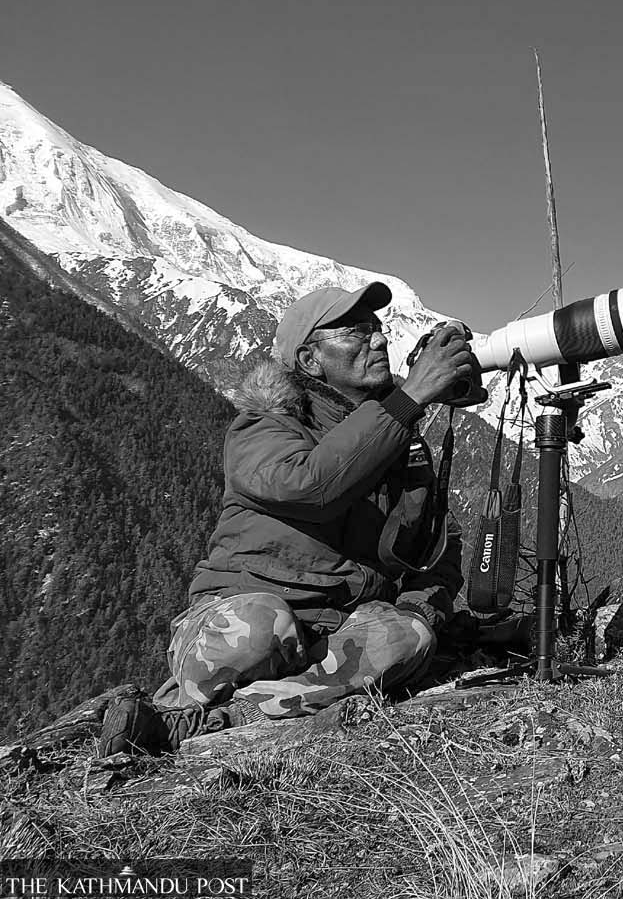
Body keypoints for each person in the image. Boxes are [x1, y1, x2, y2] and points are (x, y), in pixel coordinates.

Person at [99, 281, 481, 756]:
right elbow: (313, 486)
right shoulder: (264, 427)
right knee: (259, 624)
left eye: (378, 330)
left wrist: (424, 605)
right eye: (356, 333)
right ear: (309, 361)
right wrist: (409, 399)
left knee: (407, 637)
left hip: (334, 632)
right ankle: (204, 703)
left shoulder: (393, 439)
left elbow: (439, 543)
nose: (378, 340)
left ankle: (218, 719)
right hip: (241, 614)